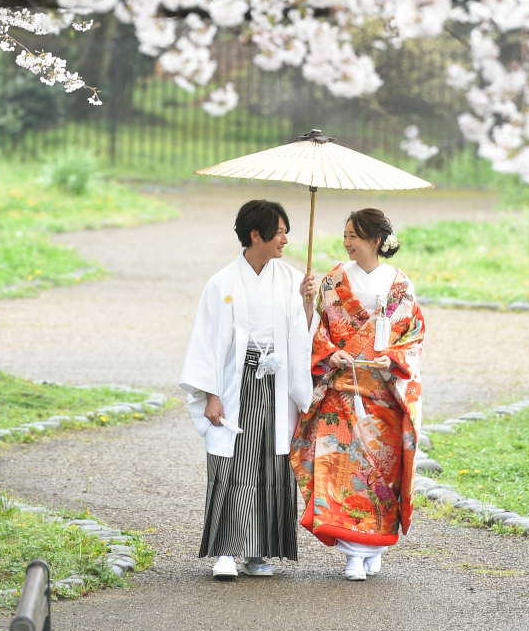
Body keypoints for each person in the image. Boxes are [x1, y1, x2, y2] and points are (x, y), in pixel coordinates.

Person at [179, 199, 317, 580]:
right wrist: (210, 393)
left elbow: (303, 335)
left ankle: (259, 551)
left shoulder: (291, 279)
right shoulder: (221, 283)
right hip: (233, 382)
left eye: (287, 231)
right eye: (280, 231)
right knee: (231, 461)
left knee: (272, 464)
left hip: (277, 383)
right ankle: (226, 550)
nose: (286, 239)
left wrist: (308, 305)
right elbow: (205, 340)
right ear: (256, 234)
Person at [290, 207, 424, 581]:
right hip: (341, 394)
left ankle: (375, 546)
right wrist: (329, 349)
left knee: (380, 478)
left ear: (375, 241)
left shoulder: (401, 285)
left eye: (353, 235)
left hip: (382, 395)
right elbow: (317, 329)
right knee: (341, 474)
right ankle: (352, 556)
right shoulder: (333, 280)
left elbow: (413, 337)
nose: (347, 242)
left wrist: (392, 359)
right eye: (345, 235)